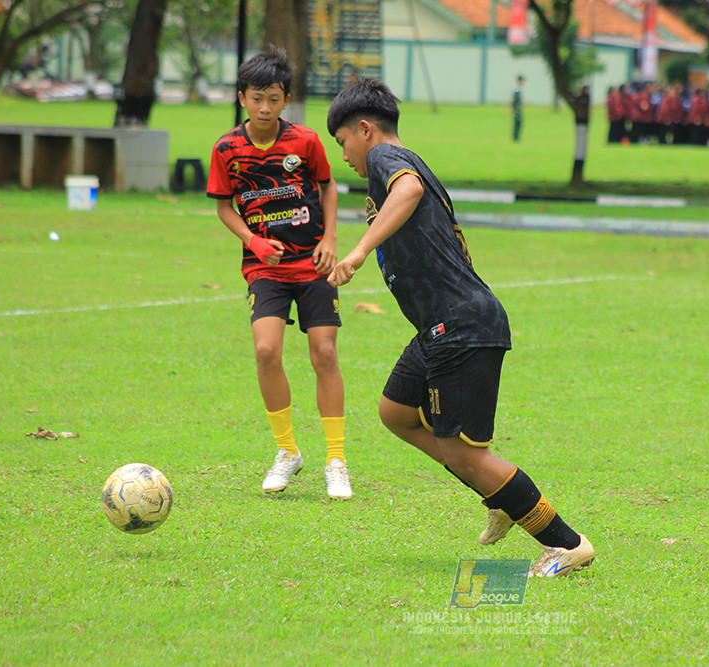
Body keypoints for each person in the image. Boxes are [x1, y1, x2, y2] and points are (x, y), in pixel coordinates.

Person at [324, 78, 595, 577]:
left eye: (342, 142)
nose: (343, 155)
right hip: (441, 325)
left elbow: (408, 191)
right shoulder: (399, 160)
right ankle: (497, 495)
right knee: (396, 412)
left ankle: (567, 543)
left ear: (364, 130)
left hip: (460, 324)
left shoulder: (388, 160)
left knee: (463, 452)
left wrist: (360, 250)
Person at [206, 46, 352, 499]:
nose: (264, 108)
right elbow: (223, 207)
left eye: (273, 98)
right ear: (241, 98)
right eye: (256, 98)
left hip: (312, 266)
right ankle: (287, 451)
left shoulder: (306, 142)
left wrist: (329, 240)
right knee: (267, 351)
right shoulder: (227, 149)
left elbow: (328, 188)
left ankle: (336, 459)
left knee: (323, 354)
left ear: (285, 99)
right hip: (264, 268)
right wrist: (253, 240)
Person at [511, 75, 525, 142]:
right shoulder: (517, 89)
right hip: (517, 110)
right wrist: (515, 110)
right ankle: (515, 138)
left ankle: (516, 137)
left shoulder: (519, 89)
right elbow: (515, 101)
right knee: (517, 123)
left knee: (518, 123)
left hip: (518, 109)